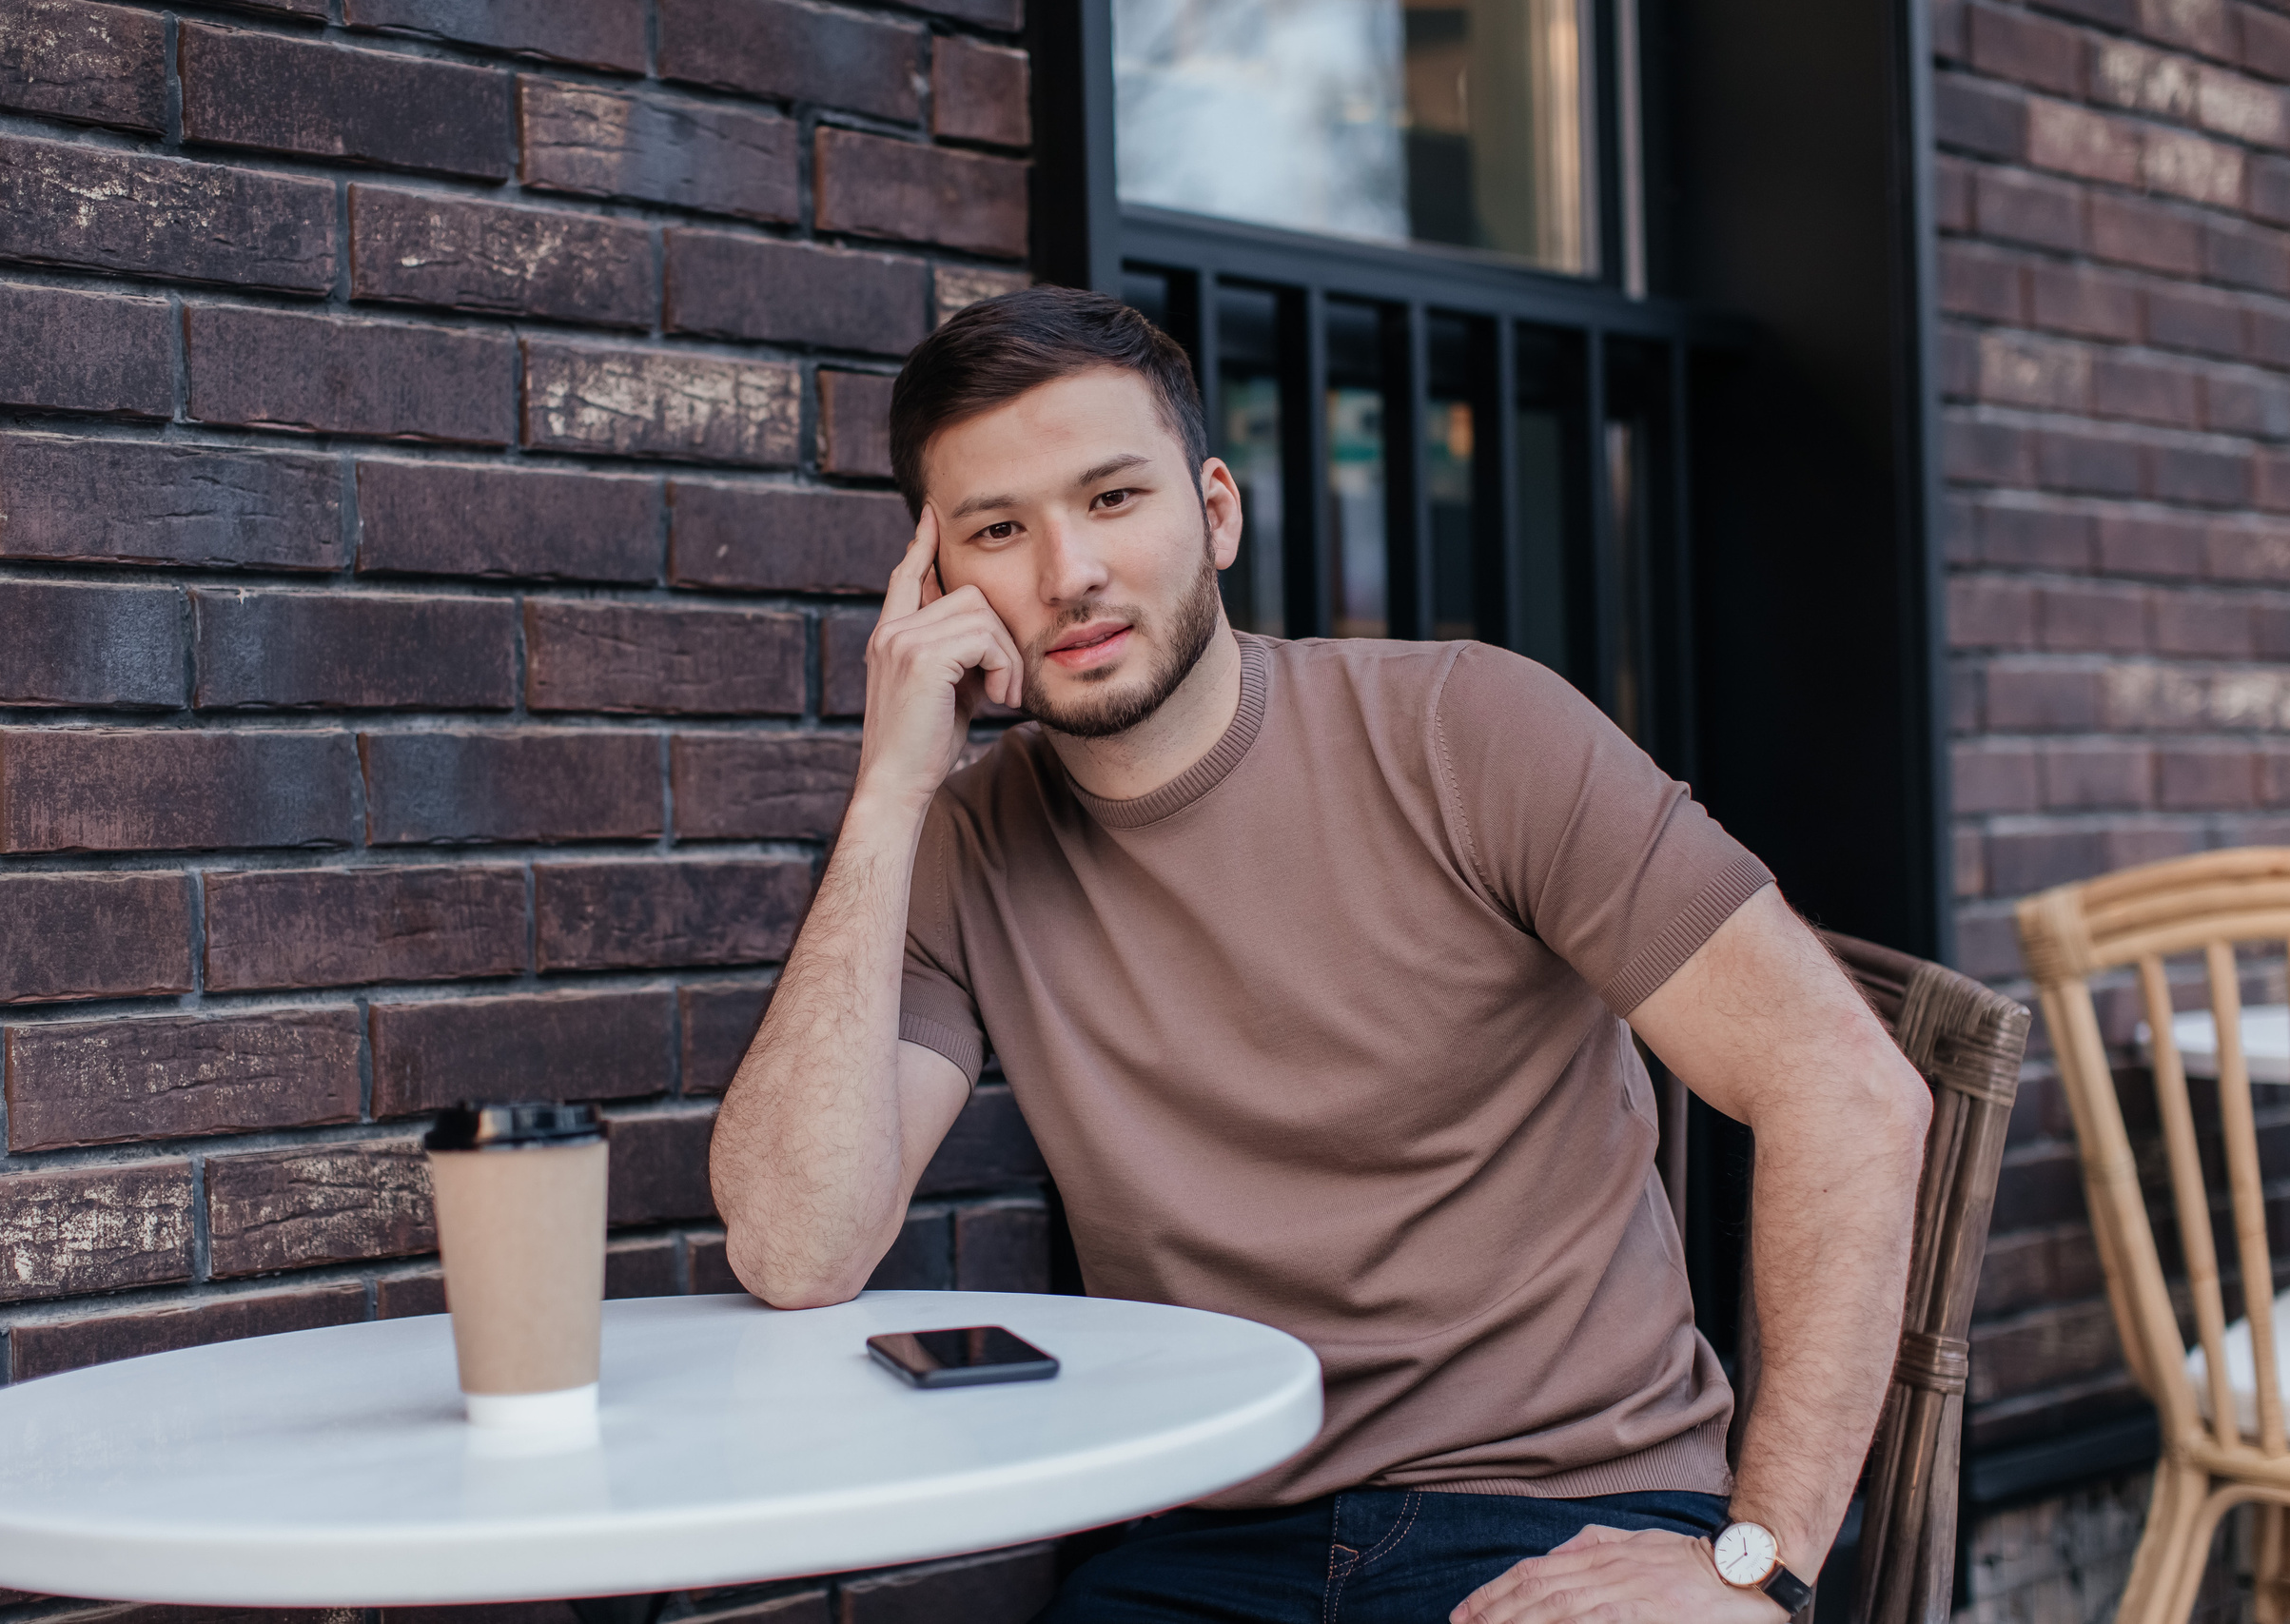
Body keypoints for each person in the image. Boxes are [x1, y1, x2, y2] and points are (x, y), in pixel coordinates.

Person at [708, 287, 1932, 1622]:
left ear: (1215, 513)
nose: (1068, 574)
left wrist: (1756, 1566)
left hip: (1567, 1517)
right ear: (937, 584)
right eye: (1000, 529)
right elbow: (795, 1250)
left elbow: (1849, 1092)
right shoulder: (966, 844)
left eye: (1115, 498)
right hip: (1208, 1541)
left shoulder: (1471, 733)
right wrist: (888, 796)